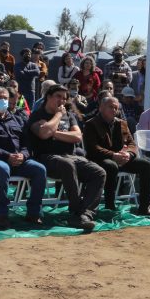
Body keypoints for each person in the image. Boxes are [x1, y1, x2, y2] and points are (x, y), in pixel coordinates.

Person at [27, 84, 105, 231]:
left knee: (99, 172)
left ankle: (85, 213)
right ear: (48, 97)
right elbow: (43, 134)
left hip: (71, 156)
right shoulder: (37, 115)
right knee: (66, 164)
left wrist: (53, 132)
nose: (62, 101)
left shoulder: (69, 116)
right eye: (58, 97)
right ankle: (76, 212)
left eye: (64, 98)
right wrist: (57, 116)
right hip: (46, 158)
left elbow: (77, 136)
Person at [0, 85, 48, 228]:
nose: (3, 101)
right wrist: (7, 156)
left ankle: (34, 212)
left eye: (5, 98)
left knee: (40, 170)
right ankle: (2, 214)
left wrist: (23, 155)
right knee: (2, 170)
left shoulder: (18, 120)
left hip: (19, 161)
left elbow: (28, 144)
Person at [83, 96, 150, 216]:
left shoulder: (122, 123)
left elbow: (132, 144)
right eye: (110, 107)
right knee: (111, 166)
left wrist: (128, 154)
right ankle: (109, 205)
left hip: (121, 159)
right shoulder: (91, 124)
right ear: (101, 108)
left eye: (116, 108)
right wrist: (113, 155)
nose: (113, 110)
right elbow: (93, 148)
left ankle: (144, 207)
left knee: (146, 165)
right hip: (99, 160)